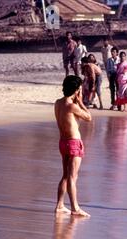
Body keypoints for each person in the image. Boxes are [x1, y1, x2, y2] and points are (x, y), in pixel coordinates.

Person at [54, 75, 92, 217]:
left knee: (65, 175)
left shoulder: (58, 103)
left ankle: (60, 205)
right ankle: (75, 208)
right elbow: (89, 117)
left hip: (63, 142)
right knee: (72, 177)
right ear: (76, 90)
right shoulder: (72, 106)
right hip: (73, 143)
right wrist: (81, 102)